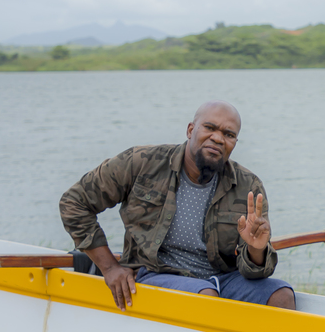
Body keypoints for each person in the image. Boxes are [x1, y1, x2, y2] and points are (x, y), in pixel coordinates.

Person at [60, 101, 295, 312]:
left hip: (222, 279)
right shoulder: (142, 163)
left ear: (234, 143)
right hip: (155, 273)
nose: (218, 138)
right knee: (206, 296)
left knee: (281, 295)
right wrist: (110, 268)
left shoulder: (248, 186)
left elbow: (253, 272)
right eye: (209, 128)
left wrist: (256, 250)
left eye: (229, 134)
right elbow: (74, 202)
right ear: (191, 130)